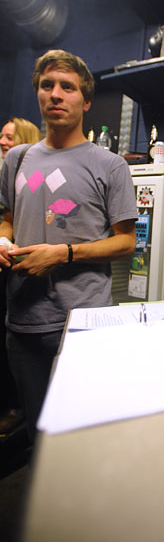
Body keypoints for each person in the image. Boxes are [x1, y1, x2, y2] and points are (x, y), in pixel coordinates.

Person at [0, 49, 137, 442]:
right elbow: (8, 219)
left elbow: (126, 242)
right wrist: (3, 239)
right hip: (23, 322)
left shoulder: (110, 165)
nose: (56, 94)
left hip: (83, 323)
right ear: (38, 93)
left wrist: (64, 254)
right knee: (38, 436)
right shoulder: (17, 159)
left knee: (83, 437)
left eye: (68, 87)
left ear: (86, 100)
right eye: (47, 85)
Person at [0, 117, 43, 434]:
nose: (3, 142)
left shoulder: (33, 174)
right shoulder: (7, 174)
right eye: (1, 136)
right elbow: (7, 221)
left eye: (9, 137)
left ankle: (16, 408)